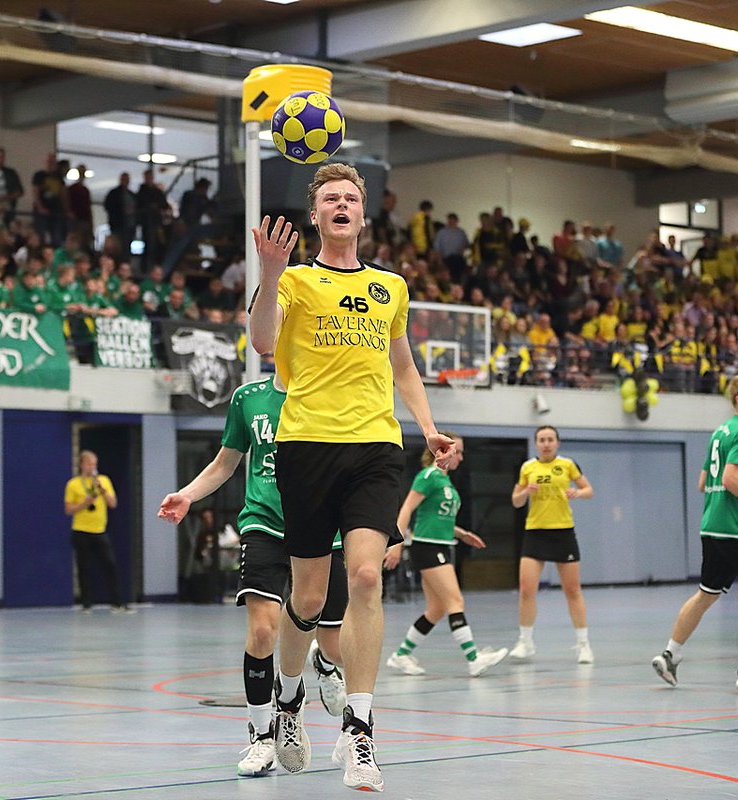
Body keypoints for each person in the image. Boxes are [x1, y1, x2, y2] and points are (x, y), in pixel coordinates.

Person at [248, 162, 453, 793]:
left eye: (351, 198)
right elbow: (261, 344)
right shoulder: (296, 281)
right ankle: (286, 702)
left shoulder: (391, 287)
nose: (341, 205)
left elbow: (405, 368)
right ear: (315, 216)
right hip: (306, 445)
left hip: (376, 446)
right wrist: (270, 273)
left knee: (366, 575)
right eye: (330, 198)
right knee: (306, 600)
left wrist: (427, 426)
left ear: (363, 215)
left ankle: (359, 733)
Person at [158, 372, 349, 778]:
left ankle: (324, 666)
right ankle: (263, 735)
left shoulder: (327, 386)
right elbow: (224, 464)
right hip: (263, 524)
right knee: (263, 632)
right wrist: (187, 494)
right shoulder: (248, 398)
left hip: (320, 529)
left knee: (332, 641)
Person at [651, 372, 738, 696]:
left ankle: (670, 654)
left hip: (711, 526)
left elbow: (704, 483)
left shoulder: (720, 432)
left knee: (707, 594)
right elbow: (730, 479)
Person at [383, 433, 508, 677]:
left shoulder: (445, 481)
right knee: (455, 602)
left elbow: (437, 518)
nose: (460, 457)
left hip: (440, 545)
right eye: (457, 451)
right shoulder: (428, 476)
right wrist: (396, 543)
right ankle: (474, 658)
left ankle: (401, 655)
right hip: (427, 548)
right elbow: (407, 508)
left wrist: (461, 534)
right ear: (442, 451)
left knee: (437, 608)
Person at [510, 425, 596, 664]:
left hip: (563, 533)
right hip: (535, 533)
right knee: (527, 590)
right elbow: (516, 501)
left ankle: (583, 644)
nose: (546, 443)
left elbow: (589, 490)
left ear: (557, 442)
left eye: (550, 439)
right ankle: (525, 642)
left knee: (572, 590)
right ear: (536, 443)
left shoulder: (568, 464)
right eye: (541, 439)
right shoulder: (528, 467)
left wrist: (578, 493)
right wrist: (526, 491)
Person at [63, 450, 126, 612]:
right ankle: (86, 603)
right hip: (81, 530)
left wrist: (102, 490)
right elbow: (68, 509)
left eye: (94, 464)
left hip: (99, 530)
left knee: (109, 564)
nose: (92, 467)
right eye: (89, 464)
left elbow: (113, 503)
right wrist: (84, 503)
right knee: (83, 566)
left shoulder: (104, 481)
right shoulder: (73, 484)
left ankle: (117, 601)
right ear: (82, 465)